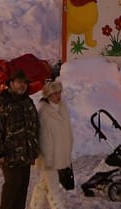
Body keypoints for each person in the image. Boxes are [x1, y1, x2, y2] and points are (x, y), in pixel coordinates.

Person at [0, 70, 40, 209]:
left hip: (26, 156)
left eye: (24, 82)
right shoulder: (2, 103)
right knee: (12, 190)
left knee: (22, 190)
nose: (22, 85)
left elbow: (34, 126)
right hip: (10, 156)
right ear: (10, 83)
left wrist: (34, 149)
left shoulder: (27, 102)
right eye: (19, 82)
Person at [29, 79, 73, 209]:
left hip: (60, 154)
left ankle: (35, 206)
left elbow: (68, 130)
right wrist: (47, 158)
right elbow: (43, 138)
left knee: (45, 183)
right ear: (48, 96)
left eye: (59, 92)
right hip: (48, 157)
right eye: (54, 94)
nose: (58, 96)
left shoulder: (63, 107)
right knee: (54, 189)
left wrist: (69, 146)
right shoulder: (43, 111)